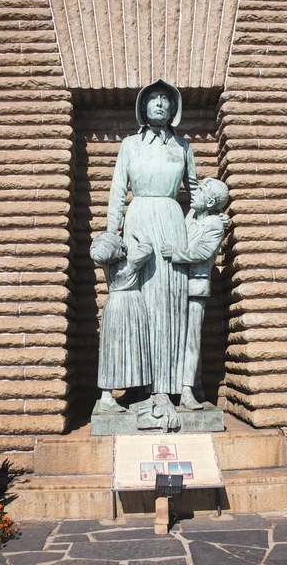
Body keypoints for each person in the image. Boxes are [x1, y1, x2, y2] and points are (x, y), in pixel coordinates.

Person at [106, 79, 198, 397]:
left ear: (173, 108)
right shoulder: (130, 145)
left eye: (164, 99)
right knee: (139, 302)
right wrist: (111, 234)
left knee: (172, 303)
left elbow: (196, 195)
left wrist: (207, 223)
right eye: (153, 98)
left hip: (172, 223)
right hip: (139, 221)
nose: (159, 103)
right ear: (143, 107)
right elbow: (119, 191)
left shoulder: (183, 147)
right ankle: (138, 385)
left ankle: (171, 387)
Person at [161, 178, 229, 410]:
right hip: (178, 285)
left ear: (210, 200)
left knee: (192, 341)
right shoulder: (192, 215)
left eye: (200, 190)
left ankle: (188, 392)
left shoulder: (214, 225)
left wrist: (175, 254)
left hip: (195, 288)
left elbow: (202, 251)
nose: (194, 192)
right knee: (179, 339)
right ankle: (191, 386)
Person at [90, 232, 153, 412]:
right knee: (132, 349)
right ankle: (112, 397)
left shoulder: (106, 265)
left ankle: (112, 394)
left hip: (113, 305)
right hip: (130, 304)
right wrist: (140, 236)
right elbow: (147, 249)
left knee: (112, 351)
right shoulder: (129, 264)